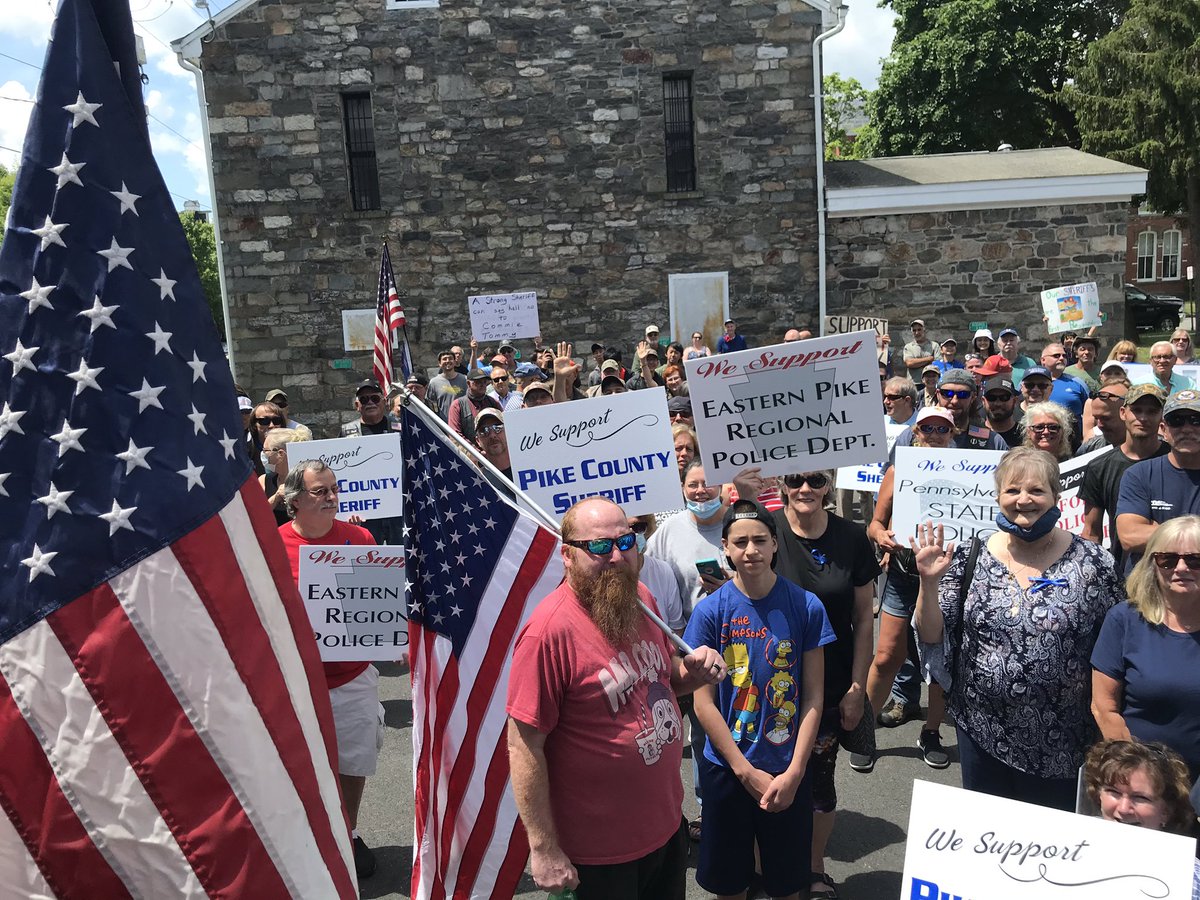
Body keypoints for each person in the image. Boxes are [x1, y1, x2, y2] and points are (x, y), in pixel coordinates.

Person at [506, 498, 726, 899]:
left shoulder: (640, 597)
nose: (617, 555)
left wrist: (691, 674)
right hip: (597, 855)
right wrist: (543, 849)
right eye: (599, 546)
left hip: (664, 828)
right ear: (567, 554)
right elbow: (524, 745)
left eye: (626, 541)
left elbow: (663, 679)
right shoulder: (547, 634)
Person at [912, 447, 1124, 810]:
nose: (1023, 500)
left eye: (1036, 491)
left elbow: (1115, 645)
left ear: (1056, 497)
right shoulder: (969, 555)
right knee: (989, 838)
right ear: (998, 497)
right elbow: (932, 635)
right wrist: (928, 584)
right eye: (1012, 491)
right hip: (982, 731)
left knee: (1049, 846)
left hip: (1064, 740)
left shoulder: (1094, 562)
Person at [685, 501, 834, 900]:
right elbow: (704, 705)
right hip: (727, 771)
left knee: (787, 884)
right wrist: (743, 770)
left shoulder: (806, 606)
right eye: (740, 542)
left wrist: (796, 771)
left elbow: (814, 696)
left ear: (774, 545)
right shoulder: (710, 612)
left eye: (759, 540)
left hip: (787, 769)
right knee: (729, 885)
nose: (750, 550)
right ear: (726, 548)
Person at [771, 474, 878, 899]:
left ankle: (814, 868)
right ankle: (770, 863)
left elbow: (865, 617)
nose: (805, 488)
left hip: (832, 683)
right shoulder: (767, 528)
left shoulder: (852, 536)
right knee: (770, 772)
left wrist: (858, 686)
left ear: (829, 486)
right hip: (772, 684)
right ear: (783, 484)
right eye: (796, 480)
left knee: (818, 780)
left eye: (815, 480)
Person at [277, 460, 382, 879]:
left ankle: (347, 831)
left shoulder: (361, 539)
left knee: (353, 761)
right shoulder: (270, 546)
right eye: (320, 491)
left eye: (334, 489)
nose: (331, 497)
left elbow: (377, 606)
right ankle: (304, 839)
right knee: (300, 764)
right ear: (294, 500)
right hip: (296, 682)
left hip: (353, 677)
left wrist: (389, 637)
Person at [866, 406, 957, 772]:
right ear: (916, 432)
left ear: (952, 434)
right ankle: (865, 731)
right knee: (887, 654)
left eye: (943, 428)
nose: (934, 434)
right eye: (927, 428)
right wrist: (880, 535)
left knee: (938, 660)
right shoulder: (898, 469)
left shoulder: (972, 472)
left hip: (947, 579)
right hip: (904, 576)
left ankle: (931, 731)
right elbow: (874, 522)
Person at [1092, 516, 1200, 786]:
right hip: (1138, 783)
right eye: (1168, 559)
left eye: (1195, 560)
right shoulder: (1124, 620)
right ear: (1153, 564)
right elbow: (1104, 708)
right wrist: (1139, 778)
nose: (1181, 568)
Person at [1082, 739, 1200, 896]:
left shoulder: (1188, 878)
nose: (1124, 809)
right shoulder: (1062, 852)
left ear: (1166, 810)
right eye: (1114, 792)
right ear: (1099, 795)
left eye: (1140, 798)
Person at [1080, 384, 1169, 570]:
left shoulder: (1176, 461)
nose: (1143, 418)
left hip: (1177, 569)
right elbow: (1092, 533)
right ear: (1123, 413)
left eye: (1152, 411)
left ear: (1162, 416)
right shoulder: (1099, 467)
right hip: (1123, 573)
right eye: (1136, 410)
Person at [1117, 389, 1200, 572]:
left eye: (1196, 421)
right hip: (1148, 591)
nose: (1187, 429)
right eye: (1176, 421)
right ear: (1163, 429)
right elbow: (1130, 537)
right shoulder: (1138, 475)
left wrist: (1158, 531)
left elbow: (1140, 536)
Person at [890, 369, 1008, 453]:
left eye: (963, 394)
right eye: (947, 393)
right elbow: (890, 479)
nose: (955, 401)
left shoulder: (992, 442)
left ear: (973, 397)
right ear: (938, 394)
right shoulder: (911, 436)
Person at [629, 512, 686, 633]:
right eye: (624, 529)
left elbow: (676, 629)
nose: (631, 535)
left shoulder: (662, 571)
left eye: (638, 528)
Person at [259, 425, 312, 526]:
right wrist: (276, 497)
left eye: (266, 451)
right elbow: (257, 516)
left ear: (280, 454)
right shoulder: (263, 480)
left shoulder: (309, 481)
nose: (263, 454)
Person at [1042, 342, 1090, 433]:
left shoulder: (1078, 383)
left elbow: (1090, 413)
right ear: (1043, 360)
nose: (1061, 358)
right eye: (1056, 356)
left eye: (1064, 356)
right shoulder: (1030, 382)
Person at [1078, 375, 1129, 452]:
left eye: (1106, 418)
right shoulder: (1090, 449)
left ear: (1126, 413)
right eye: (1096, 418)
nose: (1099, 425)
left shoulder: (1150, 453)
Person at [981, 376, 1022, 447]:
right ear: (983, 401)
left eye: (1004, 398)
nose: (997, 404)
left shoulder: (1025, 435)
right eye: (991, 398)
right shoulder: (973, 434)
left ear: (1015, 401)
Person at [247, 401, 286, 476]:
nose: (271, 425)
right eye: (265, 421)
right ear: (254, 424)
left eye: (276, 420)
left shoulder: (290, 444)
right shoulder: (246, 448)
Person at [427, 349, 468, 419]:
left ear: (455, 362)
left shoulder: (465, 379)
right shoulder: (434, 382)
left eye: (450, 359)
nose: (447, 361)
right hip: (443, 425)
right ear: (439, 363)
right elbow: (431, 404)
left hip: (463, 422)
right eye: (444, 359)